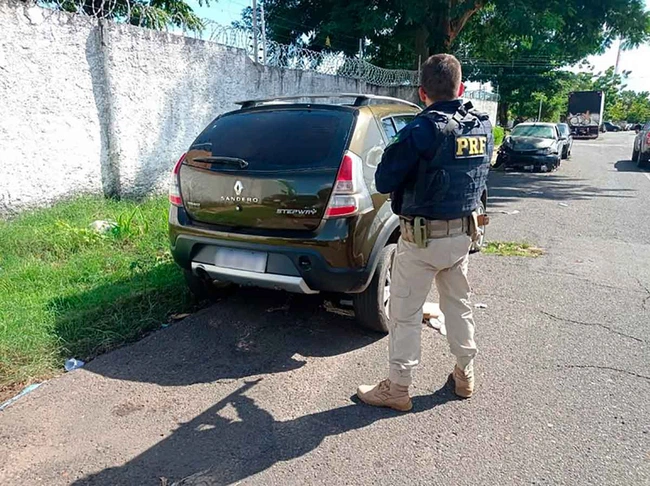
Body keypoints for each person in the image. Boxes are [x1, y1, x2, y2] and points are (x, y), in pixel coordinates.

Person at [357, 54, 493, 411]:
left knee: (405, 314)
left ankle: (397, 389)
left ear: (422, 92)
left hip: (421, 241)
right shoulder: (481, 126)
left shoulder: (421, 129)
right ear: (461, 88)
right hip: (462, 236)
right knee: (458, 307)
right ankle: (465, 375)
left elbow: (384, 181)